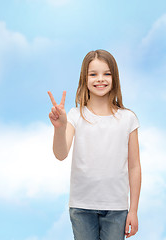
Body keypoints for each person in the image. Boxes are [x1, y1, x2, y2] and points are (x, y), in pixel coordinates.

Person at [47, 49, 141, 240]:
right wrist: (60, 127)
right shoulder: (74, 115)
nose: (100, 79)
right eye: (93, 74)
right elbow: (61, 153)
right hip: (82, 207)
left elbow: (134, 167)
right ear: (85, 78)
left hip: (117, 209)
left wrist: (133, 210)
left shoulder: (128, 118)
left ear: (115, 77)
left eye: (107, 73)